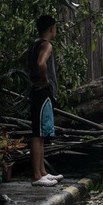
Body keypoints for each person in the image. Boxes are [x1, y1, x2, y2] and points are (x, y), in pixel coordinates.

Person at [20, 15, 64, 187]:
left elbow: (22, 59)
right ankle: (37, 176)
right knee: (38, 135)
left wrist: (32, 73)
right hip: (42, 91)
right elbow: (40, 63)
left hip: (36, 91)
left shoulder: (34, 44)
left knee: (42, 133)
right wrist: (44, 78)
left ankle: (43, 172)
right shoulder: (46, 45)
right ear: (51, 29)